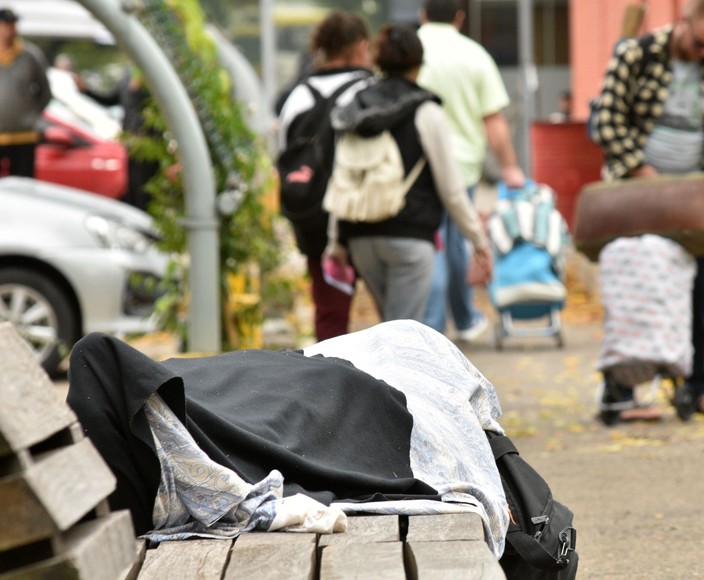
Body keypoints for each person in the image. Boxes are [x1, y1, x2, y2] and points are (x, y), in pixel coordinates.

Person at [66, 319, 508, 554]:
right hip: (165, 441)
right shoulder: (104, 374)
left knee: (308, 384)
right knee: (316, 393)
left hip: (187, 412)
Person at [589, 0, 704, 416]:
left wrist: (698, 192)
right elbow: (606, 122)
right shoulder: (636, 55)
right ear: (683, 21)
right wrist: (644, 174)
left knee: (698, 291)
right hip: (634, 192)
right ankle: (620, 392)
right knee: (632, 287)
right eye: (698, 43)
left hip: (691, 199)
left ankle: (697, 386)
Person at [326, 23, 491, 325]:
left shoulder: (355, 109)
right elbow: (452, 190)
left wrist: (335, 241)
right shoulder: (426, 111)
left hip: (361, 237)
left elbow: (344, 178)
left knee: (390, 325)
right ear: (417, 65)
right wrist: (478, 241)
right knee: (402, 332)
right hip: (410, 236)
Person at [417, 0, 525, 341]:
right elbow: (493, 122)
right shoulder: (475, 55)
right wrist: (510, 167)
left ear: (423, 15)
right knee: (456, 243)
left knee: (432, 244)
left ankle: (433, 328)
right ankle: (462, 320)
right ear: (460, 17)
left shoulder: (411, 51)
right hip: (461, 167)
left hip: (417, 168)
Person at [276, 10, 372, 342]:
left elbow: (283, 152)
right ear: (361, 47)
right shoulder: (368, 90)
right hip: (363, 213)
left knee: (329, 312)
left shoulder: (297, 96)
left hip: (312, 214)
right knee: (392, 313)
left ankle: (328, 382)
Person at [0, 7, 51, 178]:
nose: (10, 28)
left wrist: (31, 114)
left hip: (24, 134)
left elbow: (45, 91)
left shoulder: (29, 55)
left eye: (13, 24)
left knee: (23, 186)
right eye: (6, 24)